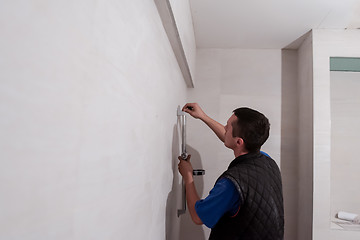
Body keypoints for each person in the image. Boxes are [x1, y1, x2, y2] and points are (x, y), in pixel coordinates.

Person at [178, 103, 284, 240]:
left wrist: (188, 177)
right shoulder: (268, 161)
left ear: (239, 142)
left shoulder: (232, 183)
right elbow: (231, 139)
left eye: (227, 127)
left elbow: (198, 217)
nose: (225, 128)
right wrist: (203, 117)